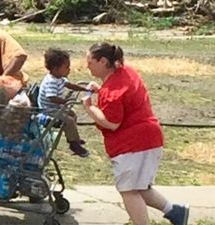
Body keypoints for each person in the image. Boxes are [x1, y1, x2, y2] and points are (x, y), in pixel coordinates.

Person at [81, 42, 189, 225]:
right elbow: (123, 96)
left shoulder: (113, 92)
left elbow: (111, 122)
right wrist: (101, 90)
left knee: (128, 190)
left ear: (103, 61)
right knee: (140, 187)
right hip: (148, 138)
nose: (87, 66)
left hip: (134, 143)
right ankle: (175, 212)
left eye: (90, 62)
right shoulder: (126, 72)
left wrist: (89, 107)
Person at [37, 48, 90, 157]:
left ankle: (74, 138)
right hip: (49, 110)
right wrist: (66, 101)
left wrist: (84, 89)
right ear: (56, 69)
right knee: (69, 121)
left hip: (56, 107)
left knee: (72, 114)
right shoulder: (51, 81)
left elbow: (70, 85)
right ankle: (73, 144)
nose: (69, 70)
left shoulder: (60, 78)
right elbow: (52, 97)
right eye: (66, 67)